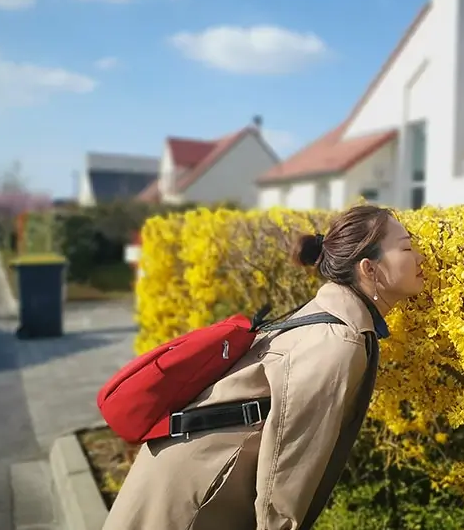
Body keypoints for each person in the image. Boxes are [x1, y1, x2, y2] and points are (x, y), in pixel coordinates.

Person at [103, 204, 425, 530]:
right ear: (369, 268)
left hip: (187, 469)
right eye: (407, 248)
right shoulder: (338, 342)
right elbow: (287, 469)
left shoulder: (331, 315)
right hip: (195, 496)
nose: (421, 257)